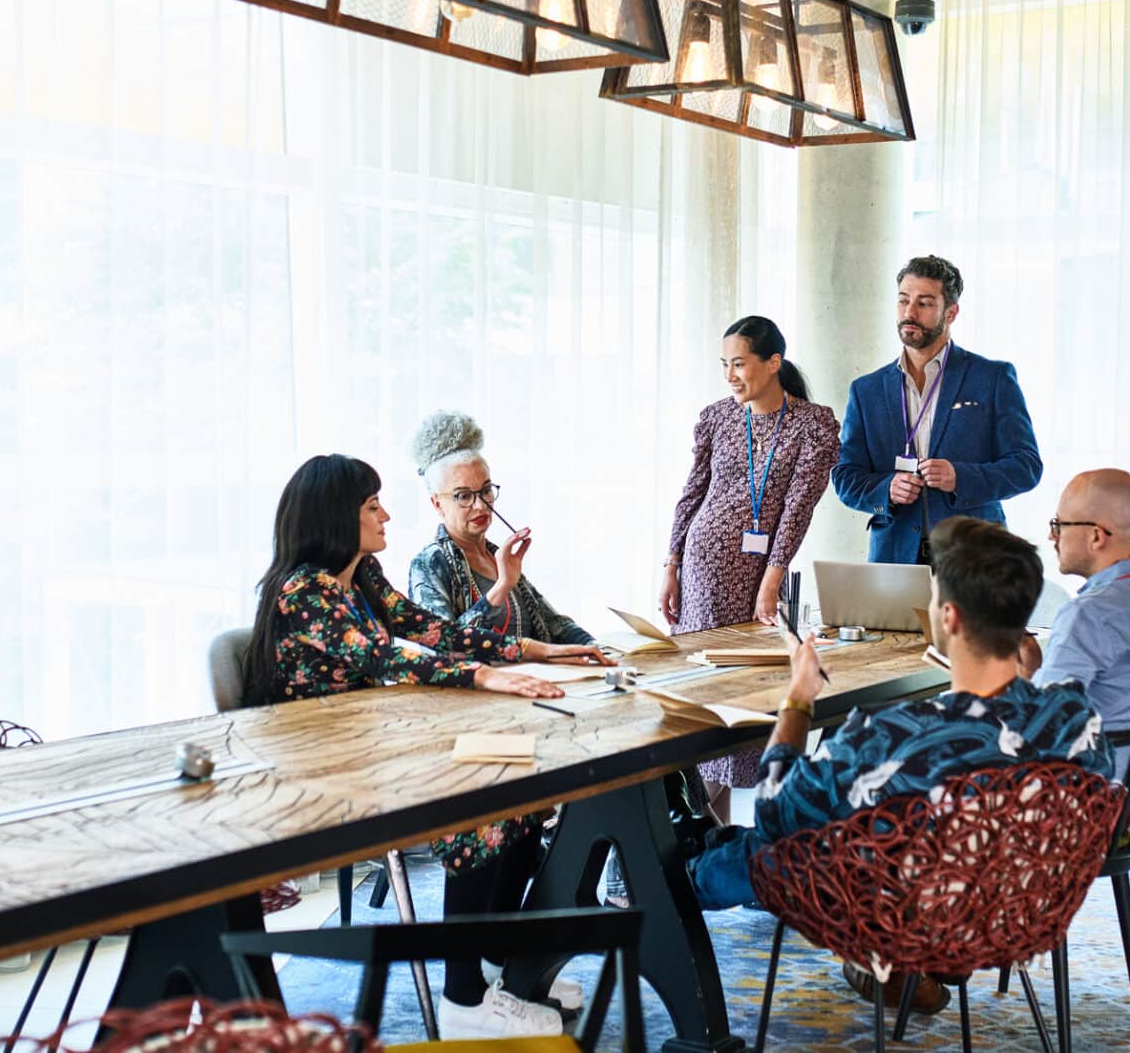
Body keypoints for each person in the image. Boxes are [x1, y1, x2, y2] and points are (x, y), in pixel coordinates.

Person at [686, 517, 1112, 1009]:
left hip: (895, 915)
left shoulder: (891, 734)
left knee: (754, 854)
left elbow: (776, 811)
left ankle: (670, 882)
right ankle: (698, 842)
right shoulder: (1076, 719)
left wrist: (798, 698)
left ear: (948, 618)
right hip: (1005, 913)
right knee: (756, 841)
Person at [241, 454, 600, 1039]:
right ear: (336, 516)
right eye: (371, 505)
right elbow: (380, 654)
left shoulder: (361, 576)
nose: (386, 513)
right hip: (320, 769)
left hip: (371, 743)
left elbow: (432, 631)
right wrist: (482, 676)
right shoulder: (302, 591)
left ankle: (493, 962)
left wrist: (534, 650)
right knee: (479, 807)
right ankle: (463, 1000)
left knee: (526, 787)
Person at [660, 316, 840, 806]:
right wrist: (671, 563)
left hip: (755, 580)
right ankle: (693, 834)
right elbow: (692, 492)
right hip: (699, 576)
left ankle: (723, 842)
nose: (730, 375)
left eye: (739, 363)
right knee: (698, 698)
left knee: (742, 699)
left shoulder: (813, 424)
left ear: (773, 363)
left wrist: (773, 574)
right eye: (724, 365)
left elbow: (798, 507)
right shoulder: (716, 416)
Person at [832, 255, 1042, 564]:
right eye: (903, 301)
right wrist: (886, 490)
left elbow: (1026, 467)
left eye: (925, 303)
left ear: (951, 312)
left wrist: (961, 476)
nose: (909, 312)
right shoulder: (866, 390)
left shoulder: (993, 378)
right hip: (895, 557)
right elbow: (846, 476)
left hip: (974, 558)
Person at [1029, 469, 1130, 760]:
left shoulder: (1087, 615)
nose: (1052, 536)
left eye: (1059, 524)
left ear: (1096, 536)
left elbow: (1041, 727)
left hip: (1074, 794)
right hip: (1129, 792)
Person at [407, 411, 602, 650]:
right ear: (437, 504)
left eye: (486, 490)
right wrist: (501, 588)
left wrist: (596, 648)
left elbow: (555, 625)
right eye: (464, 496)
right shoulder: (429, 563)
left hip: (532, 682)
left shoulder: (497, 555)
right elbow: (443, 646)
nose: (480, 505)